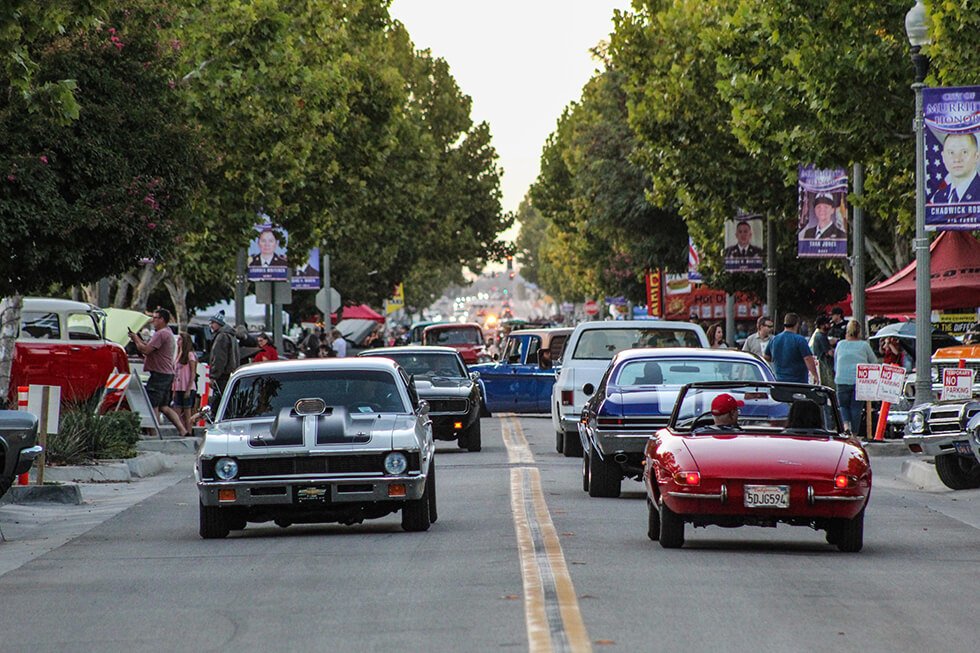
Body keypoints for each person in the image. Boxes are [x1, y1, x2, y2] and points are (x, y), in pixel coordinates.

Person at [127, 308, 190, 437]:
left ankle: (154, 433)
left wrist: (135, 339)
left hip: (159, 374)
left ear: (162, 319)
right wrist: (138, 340)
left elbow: (145, 350)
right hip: (167, 373)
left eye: (155, 318)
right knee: (164, 406)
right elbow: (149, 347)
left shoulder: (161, 334)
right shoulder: (167, 332)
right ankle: (183, 430)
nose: (152, 321)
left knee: (152, 404)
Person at [834, 320, 878, 434]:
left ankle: (846, 425)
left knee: (843, 406)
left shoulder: (840, 344)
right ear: (859, 332)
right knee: (856, 408)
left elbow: (835, 363)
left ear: (847, 331)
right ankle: (854, 433)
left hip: (841, 378)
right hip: (859, 380)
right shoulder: (864, 345)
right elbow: (874, 362)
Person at [764, 313, 818, 384]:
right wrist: (815, 375)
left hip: (779, 381)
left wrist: (778, 360)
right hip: (798, 382)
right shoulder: (800, 340)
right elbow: (808, 358)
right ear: (797, 324)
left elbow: (766, 356)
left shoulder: (774, 339)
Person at [930, 133, 980, 204]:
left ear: (976, 156)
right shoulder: (938, 197)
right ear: (943, 157)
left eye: (964, 152)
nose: (957, 159)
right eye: (951, 152)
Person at [207, 310, 240, 408]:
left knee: (219, 403)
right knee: (228, 402)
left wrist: (213, 376)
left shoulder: (221, 337)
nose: (211, 325)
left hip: (222, 375)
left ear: (219, 323)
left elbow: (219, 359)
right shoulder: (231, 335)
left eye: (213, 323)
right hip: (230, 373)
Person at [171, 332, 198, 434]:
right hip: (178, 387)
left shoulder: (190, 355)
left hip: (187, 387)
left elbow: (193, 372)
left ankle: (189, 431)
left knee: (187, 412)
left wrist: (188, 388)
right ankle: (181, 431)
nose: (178, 342)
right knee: (177, 411)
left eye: (180, 340)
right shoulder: (178, 354)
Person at [809, 316, 835, 388]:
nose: (829, 325)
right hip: (824, 364)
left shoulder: (818, 335)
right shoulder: (821, 336)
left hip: (820, 364)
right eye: (827, 324)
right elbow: (829, 353)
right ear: (821, 325)